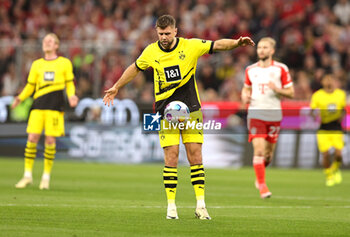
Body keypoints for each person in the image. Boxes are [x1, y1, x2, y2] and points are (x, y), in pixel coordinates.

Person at [103, 15, 255, 219]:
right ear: (156, 32)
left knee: (196, 156)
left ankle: (201, 205)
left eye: (167, 33)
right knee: (171, 157)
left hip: (191, 109)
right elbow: (135, 68)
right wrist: (116, 87)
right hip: (165, 112)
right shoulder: (151, 51)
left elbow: (217, 45)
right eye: (160, 34)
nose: (164, 37)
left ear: (175, 31)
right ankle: (171, 206)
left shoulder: (190, 46)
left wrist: (236, 43)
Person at [12, 33, 79, 190]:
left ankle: (45, 177)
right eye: (45, 41)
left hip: (55, 107)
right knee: (32, 137)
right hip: (38, 106)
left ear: (56, 45)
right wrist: (20, 98)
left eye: (50, 41)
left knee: (50, 140)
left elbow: (69, 83)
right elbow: (30, 86)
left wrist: (72, 96)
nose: (47, 43)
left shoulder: (64, 63)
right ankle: (27, 175)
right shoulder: (37, 64)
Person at [241, 37, 294, 199]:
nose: (261, 50)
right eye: (259, 48)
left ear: (272, 51)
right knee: (258, 150)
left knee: (268, 155)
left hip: (274, 114)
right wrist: (244, 97)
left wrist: (277, 89)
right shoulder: (250, 69)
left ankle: (260, 174)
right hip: (256, 113)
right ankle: (262, 186)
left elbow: (290, 93)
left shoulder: (281, 69)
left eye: (265, 48)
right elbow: (245, 89)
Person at [310, 74, 346, 187]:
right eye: (326, 79)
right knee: (325, 155)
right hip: (323, 127)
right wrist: (315, 115)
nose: (329, 81)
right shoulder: (317, 95)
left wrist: (342, 116)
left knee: (339, 154)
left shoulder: (340, 94)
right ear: (322, 82)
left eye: (331, 79)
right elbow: (312, 110)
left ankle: (334, 169)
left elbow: (343, 109)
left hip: (336, 127)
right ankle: (329, 175)